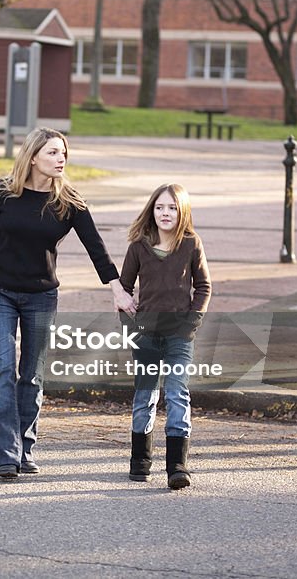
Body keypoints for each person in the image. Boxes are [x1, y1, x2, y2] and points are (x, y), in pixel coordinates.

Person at [0, 128, 136, 479]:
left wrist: (117, 289)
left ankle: (25, 448)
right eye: (52, 153)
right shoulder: (4, 193)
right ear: (33, 156)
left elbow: (97, 248)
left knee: (31, 374)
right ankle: (6, 454)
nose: (60, 158)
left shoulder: (69, 202)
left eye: (63, 153)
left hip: (41, 296)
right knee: (4, 368)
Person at [119, 183, 211, 490]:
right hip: (146, 333)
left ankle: (176, 466)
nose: (165, 213)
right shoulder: (138, 246)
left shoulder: (191, 244)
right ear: (151, 211)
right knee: (145, 396)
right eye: (160, 207)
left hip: (179, 335)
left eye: (172, 207)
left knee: (176, 393)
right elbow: (123, 289)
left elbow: (204, 287)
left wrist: (190, 324)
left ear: (182, 211)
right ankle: (140, 461)